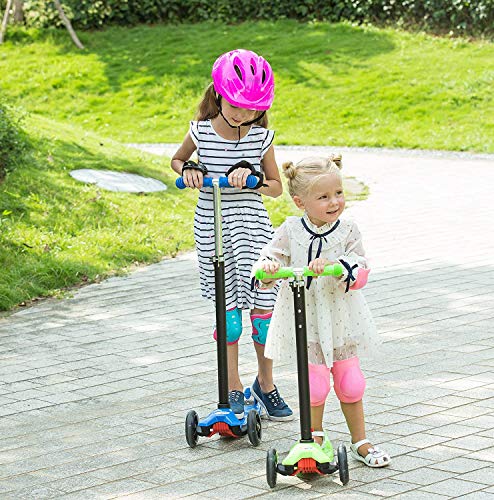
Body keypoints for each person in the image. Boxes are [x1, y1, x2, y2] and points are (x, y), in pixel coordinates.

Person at [171, 49, 293, 421]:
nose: (244, 115)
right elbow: (177, 161)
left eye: (253, 109)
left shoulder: (261, 138)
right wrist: (189, 170)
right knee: (229, 319)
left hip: (253, 229)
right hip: (213, 227)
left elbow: (276, 188)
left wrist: (254, 179)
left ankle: (266, 384)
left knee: (262, 316)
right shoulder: (201, 132)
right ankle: (233, 388)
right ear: (220, 95)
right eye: (238, 107)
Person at [253, 156, 390, 467]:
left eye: (338, 193)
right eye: (324, 196)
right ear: (300, 201)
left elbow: (361, 264)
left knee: (350, 380)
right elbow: (268, 258)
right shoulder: (291, 229)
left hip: (341, 316)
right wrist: (269, 266)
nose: (334, 202)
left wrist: (337, 267)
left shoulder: (347, 229)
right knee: (314, 383)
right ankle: (313, 438)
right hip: (306, 319)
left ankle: (361, 440)